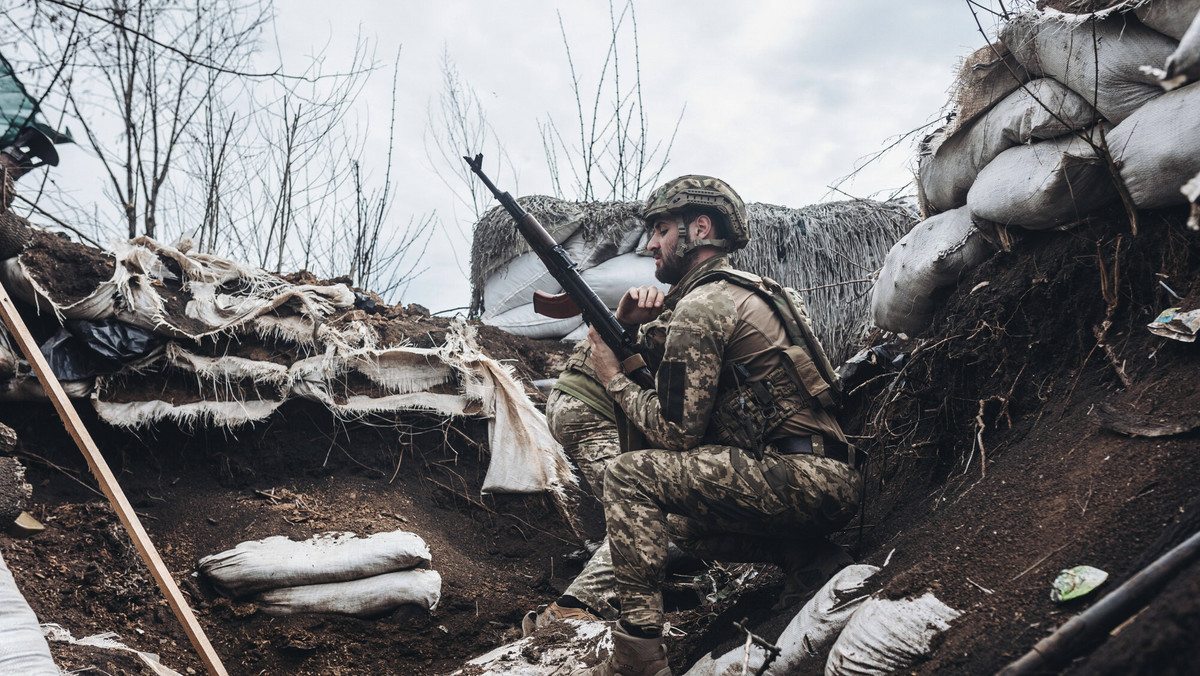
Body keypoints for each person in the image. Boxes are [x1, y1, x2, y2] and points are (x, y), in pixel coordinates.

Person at [577, 175, 863, 676]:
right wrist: (627, 330)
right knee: (685, 523)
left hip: (800, 477)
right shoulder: (745, 293)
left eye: (661, 229)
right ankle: (812, 562)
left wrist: (612, 380)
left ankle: (639, 656)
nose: (650, 245)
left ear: (700, 227)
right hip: (821, 475)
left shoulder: (703, 305)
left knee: (627, 474)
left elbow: (674, 434)